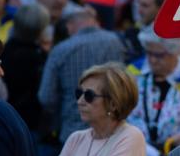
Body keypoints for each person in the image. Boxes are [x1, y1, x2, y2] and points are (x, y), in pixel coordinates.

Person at [38, 10, 125, 143]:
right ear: (96, 22)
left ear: (70, 26)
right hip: (111, 129)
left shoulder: (61, 50)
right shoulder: (116, 42)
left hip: (72, 131)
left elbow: (46, 97)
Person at [126, 26, 180, 156]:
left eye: (159, 55)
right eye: (148, 53)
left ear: (175, 53)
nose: (151, 60)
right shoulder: (134, 71)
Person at [1, 4, 53, 156]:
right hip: (32, 123)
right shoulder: (39, 58)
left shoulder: (4, 51)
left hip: (7, 119)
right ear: (40, 30)